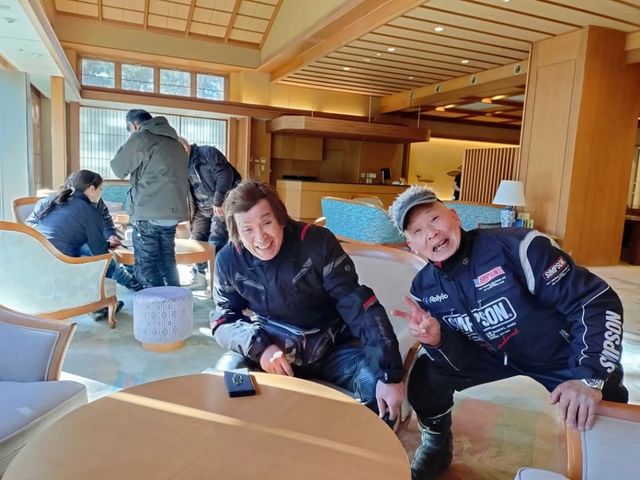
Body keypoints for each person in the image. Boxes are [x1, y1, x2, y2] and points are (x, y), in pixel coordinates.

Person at [388, 186, 628, 480]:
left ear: (454, 217)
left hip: (557, 352)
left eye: (434, 219)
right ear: (411, 245)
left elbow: (594, 301)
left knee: (604, 395)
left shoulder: (518, 247)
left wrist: (589, 376)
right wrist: (438, 340)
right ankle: (437, 443)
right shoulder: (424, 289)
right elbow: (458, 360)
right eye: (418, 230)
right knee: (426, 375)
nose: (431, 233)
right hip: (490, 354)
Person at [210, 181, 405, 423]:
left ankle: (349, 448)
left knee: (379, 391)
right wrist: (261, 348)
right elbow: (224, 319)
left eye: (266, 223)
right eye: (247, 229)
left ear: (281, 218)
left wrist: (389, 373)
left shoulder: (316, 242)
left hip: (333, 348)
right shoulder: (229, 260)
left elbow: (358, 305)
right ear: (237, 233)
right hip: (272, 348)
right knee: (227, 377)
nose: (260, 237)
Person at [33, 170, 142, 320]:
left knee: (93, 254)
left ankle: (127, 285)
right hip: (61, 264)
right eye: (100, 188)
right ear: (91, 189)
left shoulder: (54, 200)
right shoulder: (89, 211)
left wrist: (105, 240)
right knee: (105, 261)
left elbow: (35, 227)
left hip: (36, 256)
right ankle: (103, 302)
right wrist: (105, 246)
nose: (101, 192)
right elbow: (100, 253)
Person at [111, 109, 189, 288]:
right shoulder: (176, 143)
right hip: (173, 213)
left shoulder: (141, 137)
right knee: (167, 261)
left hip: (148, 211)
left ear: (133, 125)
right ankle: (174, 300)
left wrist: (132, 139)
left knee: (146, 266)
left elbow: (118, 168)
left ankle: (156, 302)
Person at [177, 137, 241, 288]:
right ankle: (200, 276)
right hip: (201, 208)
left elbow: (226, 174)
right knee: (196, 241)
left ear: (184, 148)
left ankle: (219, 280)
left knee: (216, 240)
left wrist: (218, 200)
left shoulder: (208, 153)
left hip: (220, 204)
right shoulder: (180, 165)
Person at [26, 172, 122, 250]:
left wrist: (111, 234)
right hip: (51, 250)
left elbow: (105, 219)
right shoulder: (48, 202)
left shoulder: (96, 202)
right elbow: (30, 225)